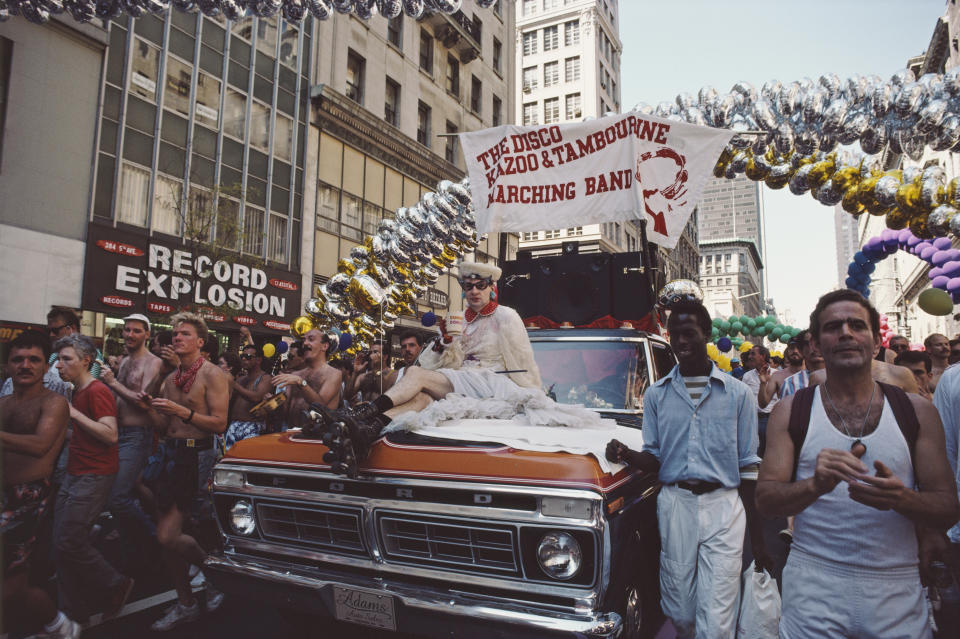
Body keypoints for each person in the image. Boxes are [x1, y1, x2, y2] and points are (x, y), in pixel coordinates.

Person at [757, 289, 959, 638]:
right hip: (812, 590)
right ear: (817, 344)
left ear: (876, 341)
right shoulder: (791, 411)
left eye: (856, 325)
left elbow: (948, 508)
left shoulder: (917, 412)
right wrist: (814, 486)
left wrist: (902, 499)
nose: (846, 333)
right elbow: (765, 499)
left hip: (897, 592)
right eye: (834, 327)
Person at [314, 261, 603, 477]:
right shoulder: (458, 320)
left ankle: (362, 413)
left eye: (480, 285)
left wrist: (531, 395)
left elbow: (523, 363)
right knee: (422, 397)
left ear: (492, 288)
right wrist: (443, 345)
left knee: (416, 377)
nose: (474, 291)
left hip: (495, 383)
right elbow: (431, 365)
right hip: (463, 381)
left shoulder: (507, 316)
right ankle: (368, 431)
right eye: (468, 286)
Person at [605, 299, 769, 639]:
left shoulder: (738, 394)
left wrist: (759, 538)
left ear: (706, 334)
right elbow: (655, 457)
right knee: (679, 607)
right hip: (676, 505)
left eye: (689, 333)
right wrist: (626, 454)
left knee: (718, 610)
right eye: (675, 334)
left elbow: (749, 467)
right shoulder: (656, 395)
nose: (681, 342)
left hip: (724, 507)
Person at [139, 312, 229, 631]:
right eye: (175, 334)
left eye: (185, 334)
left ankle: (214, 575)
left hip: (197, 455)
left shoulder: (212, 374)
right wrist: (151, 408)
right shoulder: (171, 377)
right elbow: (165, 427)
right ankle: (186, 602)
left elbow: (219, 423)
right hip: (170, 454)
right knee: (168, 538)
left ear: (200, 342)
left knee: (169, 534)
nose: (177, 338)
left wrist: (183, 411)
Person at [53, 334, 134, 623]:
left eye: (66, 359)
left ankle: (116, 583)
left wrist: (72, 414)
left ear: (86, 360)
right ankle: (72, 614)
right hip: (75, 472)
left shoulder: (96, 390)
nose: (59, 366)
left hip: (94, 475)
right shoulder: (77, 390)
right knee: (60, 543)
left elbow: (110, 435)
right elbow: (86, 433)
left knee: (69, 540)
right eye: (59, 359)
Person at [0, 331, 76, 639]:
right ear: (7, 366)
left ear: (47, 366)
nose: (25, 365)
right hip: (3, 496)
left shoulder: (54, 402)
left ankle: (59, 624)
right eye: (18, 359)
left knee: (12, 584)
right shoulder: (3, 403)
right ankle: (56, 625)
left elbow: (40, 445)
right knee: (12, 583)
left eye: (34, 360)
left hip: (29, 499)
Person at [101, 314, 163, 556]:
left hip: (138, 435)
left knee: (118, 496)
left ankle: (155, 537)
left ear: (147, 334)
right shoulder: (125, 361)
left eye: (136, 331)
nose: (129, 334)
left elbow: (142, 402)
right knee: (117, 492)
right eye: (126, 330)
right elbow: (119, 400)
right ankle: (131, 542)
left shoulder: (152, 363)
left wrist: (112, 382)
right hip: (119, 433)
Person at [270, 329, 342, 429]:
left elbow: (320, 406)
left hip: (317, 437)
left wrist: (301, 383)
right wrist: (272, 403)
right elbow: (284, 412)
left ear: (324, 346)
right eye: (304, 340)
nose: (305, 343)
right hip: (292, 434)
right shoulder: (296, 374)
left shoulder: (334, 374)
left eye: (311, 339)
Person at [223, 343, 271, 451]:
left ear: (258, 360)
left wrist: (234, 384)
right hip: (233, 425)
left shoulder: (265, 378)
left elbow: (256, 397)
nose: (244, 359)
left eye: (248, 357)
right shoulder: (241, 379)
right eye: (242, 357)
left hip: (251, 426)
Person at [742, 345, 777, 455]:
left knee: (772, 453)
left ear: (763, 356)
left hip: (773, 420)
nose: (750, 357)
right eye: (750, 354)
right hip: (754, 420)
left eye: (753, 354)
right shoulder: (747, 376)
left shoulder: (777, 374)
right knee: (755, 454)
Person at [758, 337, 805, 408]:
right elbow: (763, 404)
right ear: (787, 351)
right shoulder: (777, 376)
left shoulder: (813, 374)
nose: (795, 351)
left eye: (799, 348)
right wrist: (763, 383)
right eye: (792, 348)